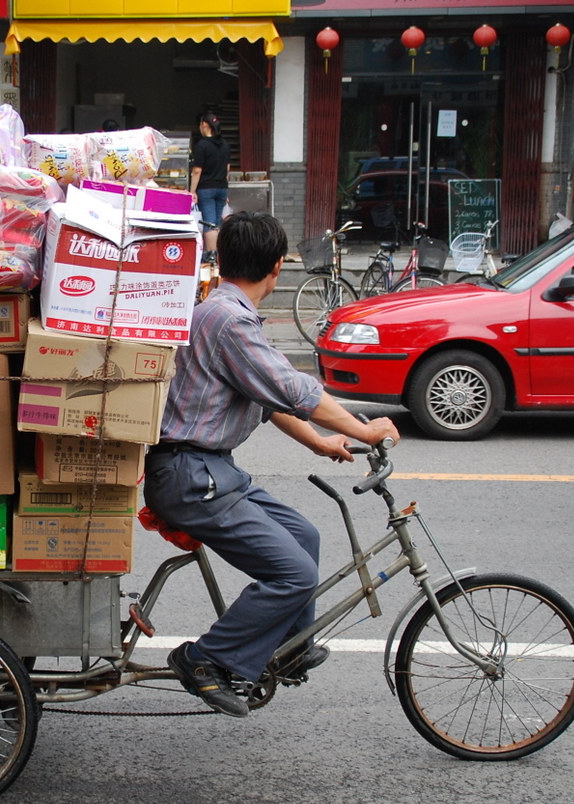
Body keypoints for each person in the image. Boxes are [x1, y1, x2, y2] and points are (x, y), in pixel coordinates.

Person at [145, 211, 400, 718]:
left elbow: (269, 400)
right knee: (295, 575)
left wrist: (319, 444)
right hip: (192, 477)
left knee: (305, 537)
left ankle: (291, 644)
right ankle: (204, 659)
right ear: (277, 266)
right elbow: (291, 388)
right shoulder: (229, 320)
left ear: (224, 260)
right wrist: (364, 429)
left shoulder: (220, 312)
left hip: (210, 472)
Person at [190, 112, 231, 263]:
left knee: (209, 223)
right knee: (217, 224)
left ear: (205, 125)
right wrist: (225, 189)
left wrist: (192, 190)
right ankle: (218, 256)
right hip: (221, 187)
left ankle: (211, 256)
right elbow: (227, 169)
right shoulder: (225, 145)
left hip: (206, 188)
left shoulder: (202, 145)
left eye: (201, 124)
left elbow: (197, 170)